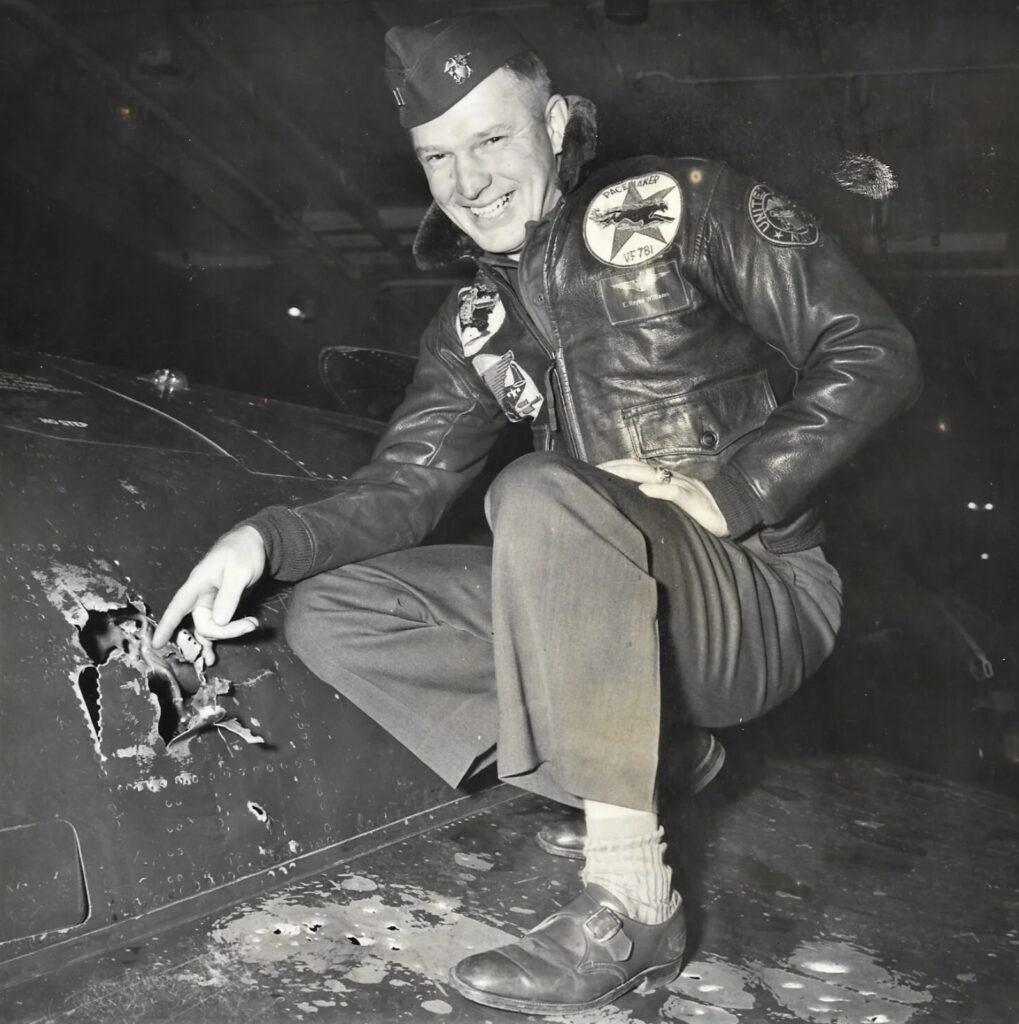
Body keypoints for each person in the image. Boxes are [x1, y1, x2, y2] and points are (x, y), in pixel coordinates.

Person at [155, 13, 921, 1016]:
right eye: (436, 158)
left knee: (534, 493)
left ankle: (630, 902)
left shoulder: (682, 204)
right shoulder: (469, 326)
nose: (467, 184)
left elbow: (871, 352)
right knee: (331, 612)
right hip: (600, 606)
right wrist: (262, 536)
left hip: (755, 592)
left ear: (557, 123)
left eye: (491, 140)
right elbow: (404, 486)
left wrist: (732, 489)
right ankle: (646, 764)